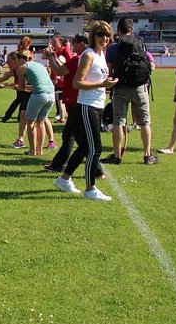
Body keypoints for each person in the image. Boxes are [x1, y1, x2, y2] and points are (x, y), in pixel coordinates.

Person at [54, 20, 119, 202]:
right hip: (86, 105)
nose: (104, 38)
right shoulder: (89, 55)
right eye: (100, 34)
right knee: (95, 148)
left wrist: (107, 85)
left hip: (96, 105)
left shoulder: (101, 55)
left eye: (107, 35)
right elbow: (77, 83)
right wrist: (102, 84)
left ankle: (64, 179)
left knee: (84, 147)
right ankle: (90, 189)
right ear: (93, 36)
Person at [43, 33, 104, 180]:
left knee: (82, 140)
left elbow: (59, 71)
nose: (72, 45)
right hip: (78, 101)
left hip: (76, 101)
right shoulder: (89, 57)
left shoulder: (79, 58)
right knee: (69, 136)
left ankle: (96, 171)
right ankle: (57, 164)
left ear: (82, 43)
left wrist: (51, 57)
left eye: (74, 42)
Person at [105, 18, 158, 166]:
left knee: (118, 122)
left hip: (120, 86)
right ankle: (147, 155)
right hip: (140, 87)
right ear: (132, 29)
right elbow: (150, 64)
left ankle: (116, 155)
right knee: (145, 122)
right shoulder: (140, 44)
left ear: (118, 31)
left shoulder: (112, 48)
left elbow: (109, 71)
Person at [14, 50, 55, 156]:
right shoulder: (39, 65)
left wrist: (15, 87)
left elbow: (22, 88)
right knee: (40, 122)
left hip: (39, 95)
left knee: (30, 122)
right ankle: (39, 150)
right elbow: (35, 86)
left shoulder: (21, 68)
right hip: (51, 94)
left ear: (20, 59)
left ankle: (32, 150)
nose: (16, 63)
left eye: (16, 60)